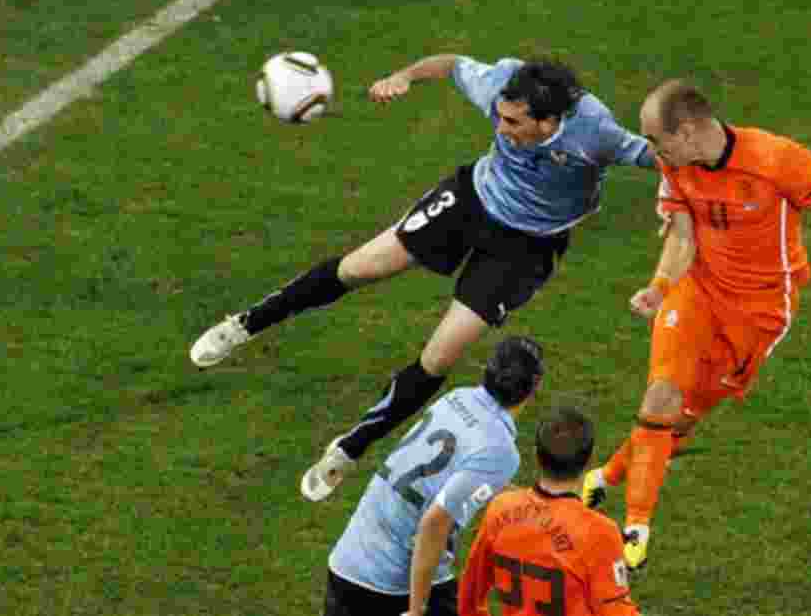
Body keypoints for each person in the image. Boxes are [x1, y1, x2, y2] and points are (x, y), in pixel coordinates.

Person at [189, 53, 654, 501]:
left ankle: (348, 450)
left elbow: (657, 156)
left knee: (439, 355)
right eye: (500, 118)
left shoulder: (596, 132)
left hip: (527, 247)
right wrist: (406, 76)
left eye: (513, 124)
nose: (501, 128)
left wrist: (682, 203)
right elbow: (451, 64)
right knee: (358, 268)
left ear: (548, 123)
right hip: (471, 199)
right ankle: (244, 325)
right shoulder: (504, 85)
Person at [580, 79, 811, 573]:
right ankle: (636, 527)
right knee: (661, 395)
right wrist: (660, 287)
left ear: (685, 132)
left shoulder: (777, 160)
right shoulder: (673, 163)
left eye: (657, 139)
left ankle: (607, 476)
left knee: (680, 420)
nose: (650, 150)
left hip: (759, 312)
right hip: (698, 290)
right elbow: (683, 235)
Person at [321, 336, 544, 616]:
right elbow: (434, 524)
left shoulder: (458, 398)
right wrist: (417, 609)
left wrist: (534, 501)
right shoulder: (500, 449)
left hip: (349, 558)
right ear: (534, 387)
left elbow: (460, 475)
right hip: (389, 582)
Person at [459, 406, 642, 616]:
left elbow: (470, 595)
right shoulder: (600, 532)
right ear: (588, 462)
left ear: (536, 455)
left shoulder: (500, 510)